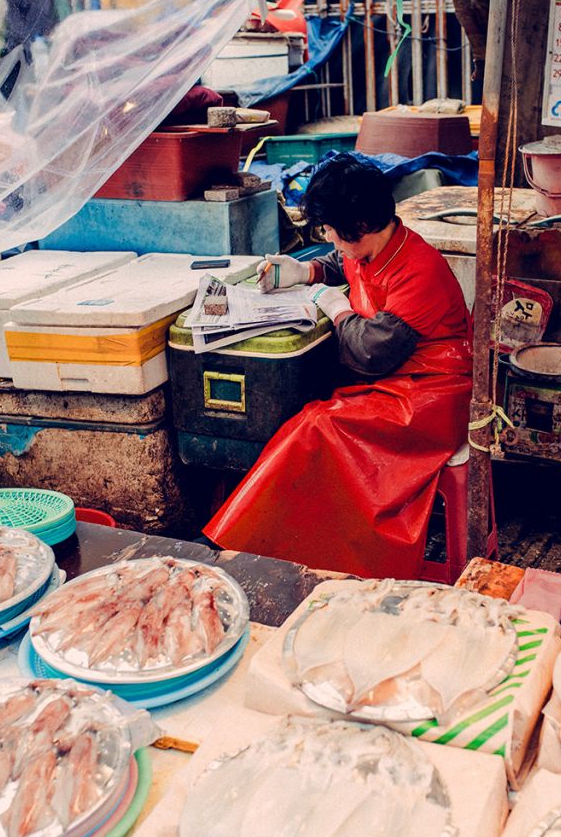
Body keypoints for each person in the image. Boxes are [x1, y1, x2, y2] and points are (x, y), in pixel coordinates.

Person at [202, 153, 473, 578]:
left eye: (330, 229)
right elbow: (340, 263)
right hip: (399, 383)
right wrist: (304, 272)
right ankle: (282, 543)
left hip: (431, 398)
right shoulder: (369, 245)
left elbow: (369, 352)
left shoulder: (419, 272)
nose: (328, 237)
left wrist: (335, 307)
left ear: (360, 226)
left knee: (316, 426)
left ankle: (256, 546)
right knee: (308, 420)